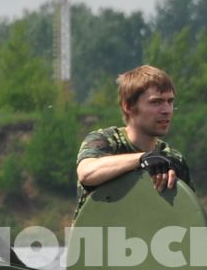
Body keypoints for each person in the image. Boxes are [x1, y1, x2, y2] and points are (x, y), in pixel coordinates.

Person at [75, 64, 192, 202]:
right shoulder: (107, 141)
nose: (167, 110)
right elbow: (87, 173)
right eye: (156, 102)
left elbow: (188, 212)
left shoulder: (171, 158)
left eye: (170, 101)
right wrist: (143, 159)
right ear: (128, 106)